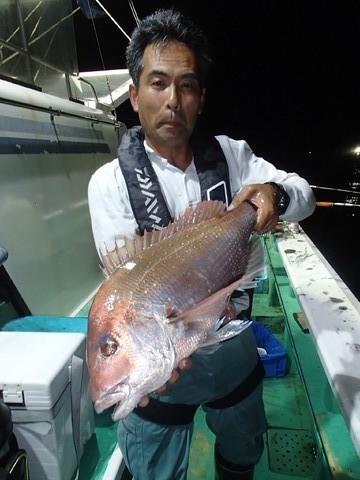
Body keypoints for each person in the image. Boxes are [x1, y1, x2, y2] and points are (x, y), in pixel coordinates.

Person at [88, 8, 316, 480]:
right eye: (157, 83)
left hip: (233, 352)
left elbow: (305, 196)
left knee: (243, 448)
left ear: (200, 97)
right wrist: (150, 357)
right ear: (133, 95)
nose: (173, 100)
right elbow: (129, 284)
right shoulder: (108, 183)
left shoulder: (232, 156)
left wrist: (273, 194)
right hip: (165, 377)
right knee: (155, 468)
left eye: (186, 85)